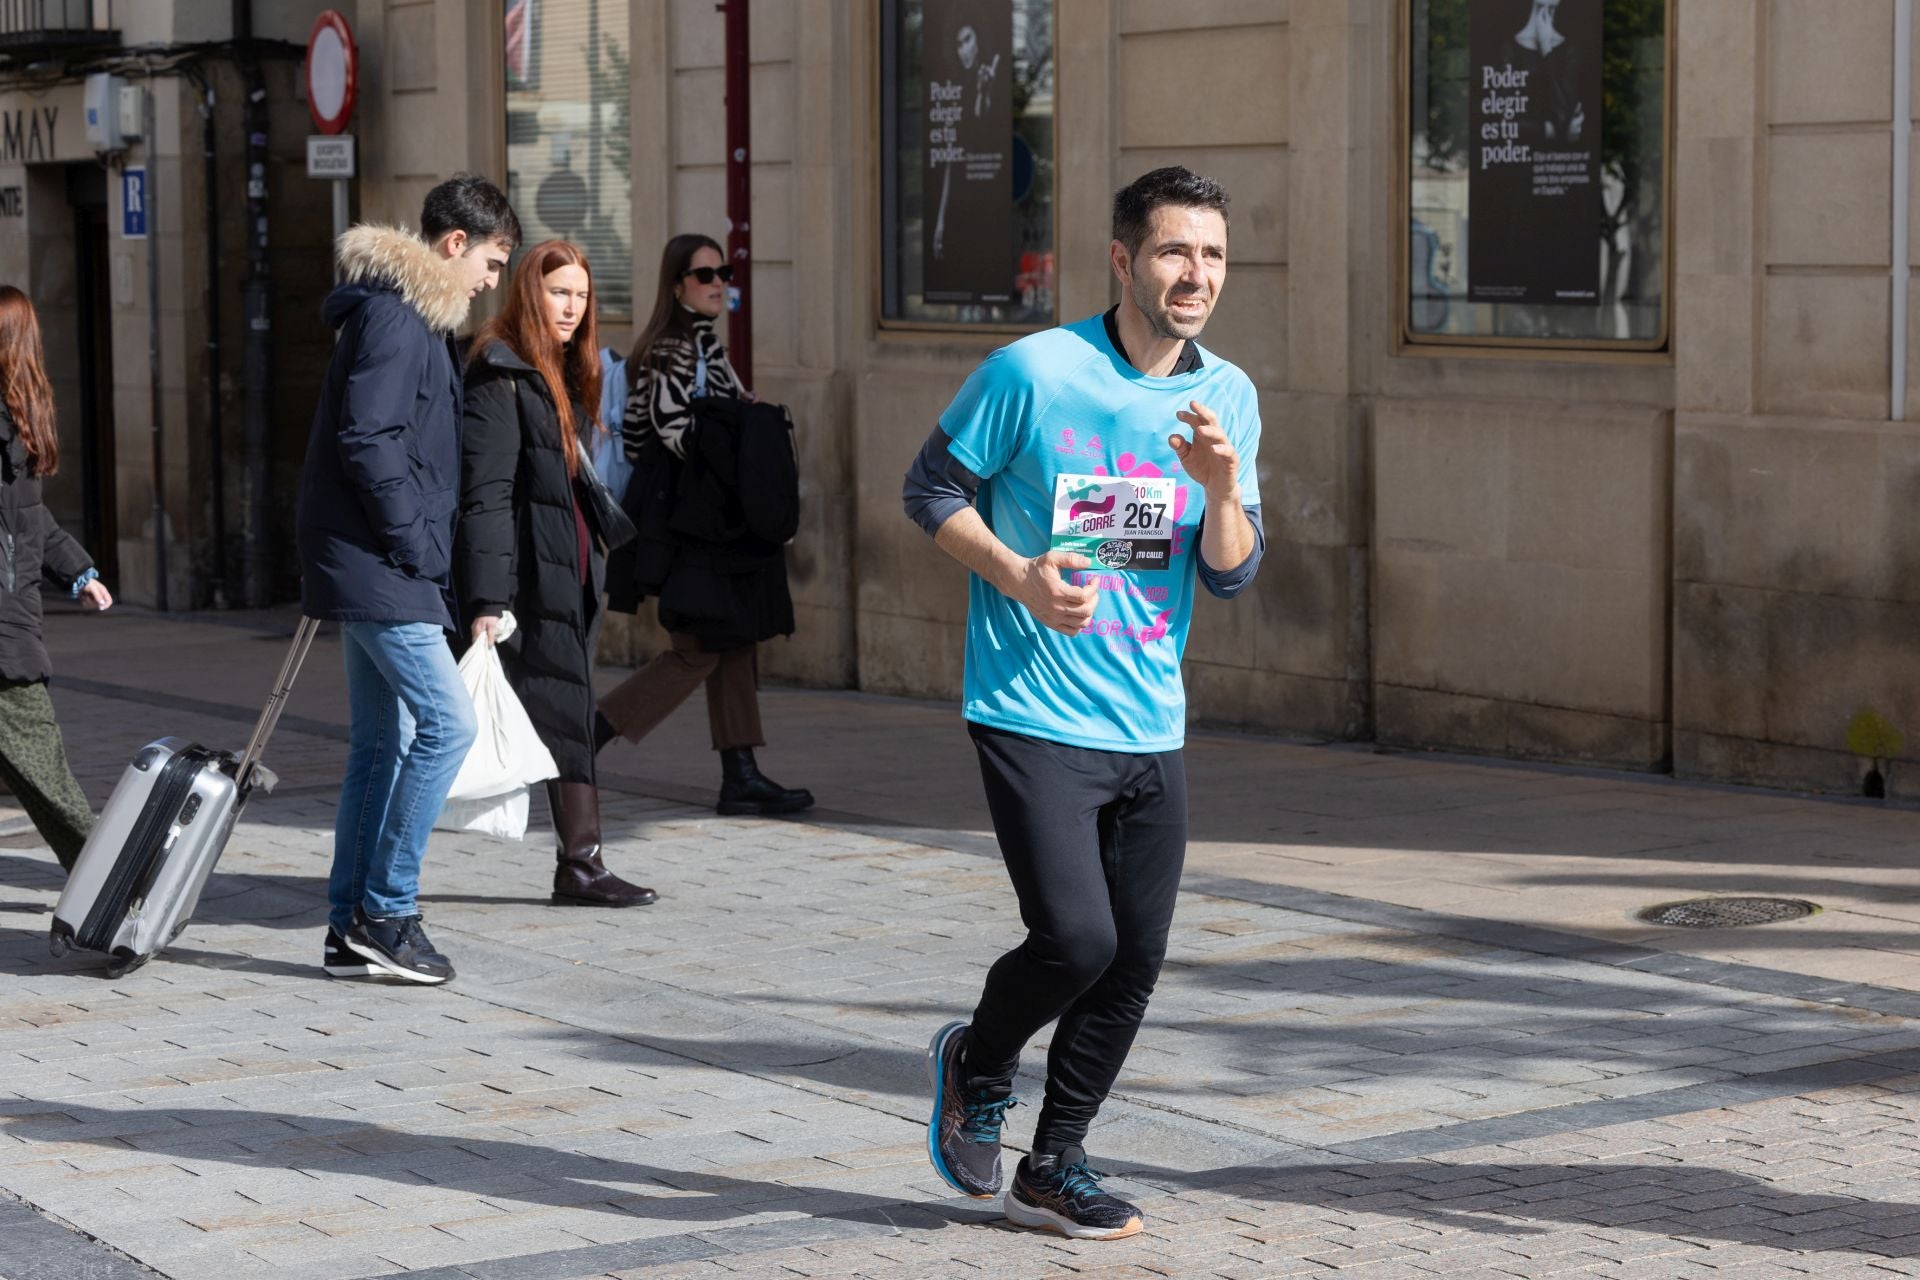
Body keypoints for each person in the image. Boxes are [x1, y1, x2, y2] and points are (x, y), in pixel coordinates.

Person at [902, 167, 1263, 1240]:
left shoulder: (1227, 395)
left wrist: (1220, 486)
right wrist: (1018, 573)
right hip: (1030, 703)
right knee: (1073, 936)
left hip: (1152, 718)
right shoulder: (1034, 371)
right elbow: (928, 488)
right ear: (1123, 260)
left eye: (1211, 257)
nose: (1194, 275)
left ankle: (1054, 1163)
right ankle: (975, 1058)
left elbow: (1234, 572)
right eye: (1172, 253)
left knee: (1134, 956)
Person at [296, 174, 519, 984]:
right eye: (492, 262)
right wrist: (419, 544)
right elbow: (369, 439)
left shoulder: (404, 316)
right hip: (382, 562)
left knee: (383, 743)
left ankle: (348, 926)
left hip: (373, 560)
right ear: (453, 245)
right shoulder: (397, 318)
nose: (493, 281)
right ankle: (388, 913)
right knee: (447, 727)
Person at [456, 240, 656, 909]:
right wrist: (486, 597)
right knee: (559, 714)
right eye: (558, 292)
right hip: (525, 584)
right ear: (526, 293)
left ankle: (582, 864)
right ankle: (582, 863)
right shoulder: (500, 371)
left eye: (580, 294)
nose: (571, 307)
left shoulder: (558, 370)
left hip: (566, 572)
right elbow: (483, 493)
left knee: (563, 712)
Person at [598, 233, 812, 817]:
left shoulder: (704, 345)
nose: (719, 282)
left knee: (734, 641)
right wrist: (739, 433)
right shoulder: (673, 348)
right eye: (705, 274)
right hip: (688, 526)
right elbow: (670, 433)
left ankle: (740, 774)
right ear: (677, 286)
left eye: (724, 271)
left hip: (714, 524)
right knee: (696, 647)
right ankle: (587, 735)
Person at [0, 286, 114, 872]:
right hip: (4, 641)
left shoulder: (12, 434)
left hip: (11, 626)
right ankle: (114, 889)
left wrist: (78, 571)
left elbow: (29, 518)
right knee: (47, 774)